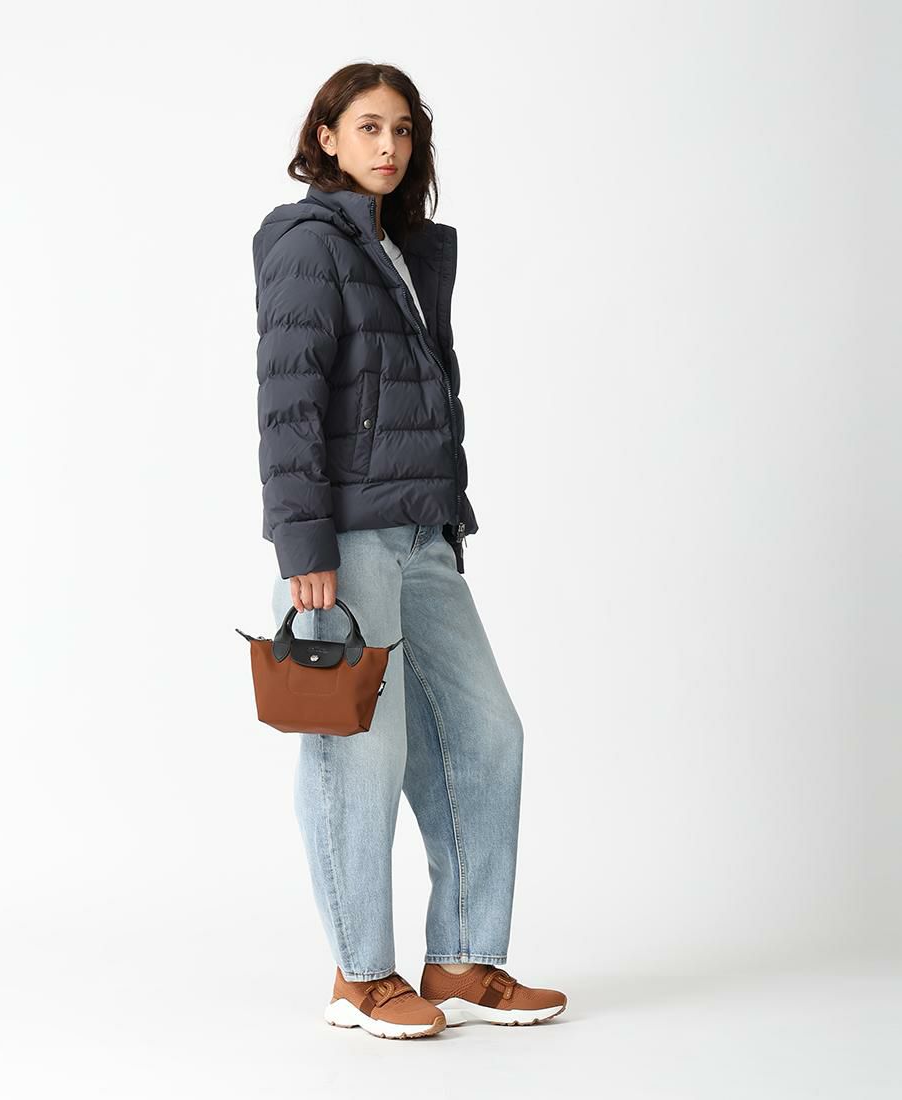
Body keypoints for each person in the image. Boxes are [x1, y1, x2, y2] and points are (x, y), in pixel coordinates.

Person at [252, 62, 566, 1039]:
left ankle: (462, 958)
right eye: (368, 127)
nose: (387, 145)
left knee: (486, 733)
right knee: (359, 750)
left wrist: (448, 519)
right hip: (342, 538)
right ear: (328, 137)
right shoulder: (308, 242)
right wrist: (302, 541)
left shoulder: (405, 249)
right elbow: (288, 400)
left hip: (424, 532)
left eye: (401, 130)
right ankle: (361, 975)